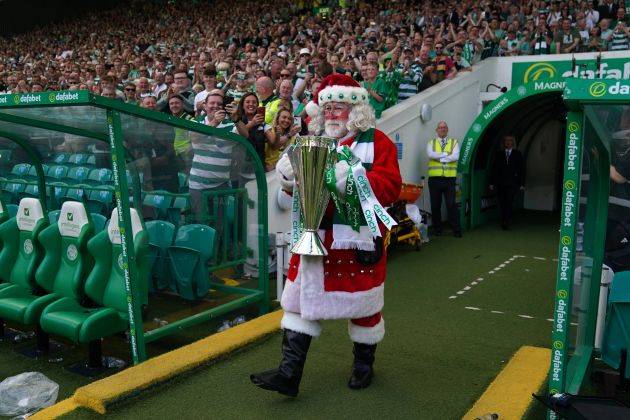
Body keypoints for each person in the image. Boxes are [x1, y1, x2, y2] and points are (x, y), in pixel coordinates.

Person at [250, 73, 402, 396]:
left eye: (339, 108)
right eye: (328, 108)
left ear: (356, 109)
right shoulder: (313, 142)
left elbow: (391, 188)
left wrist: (354, 179)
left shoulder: (378, 143)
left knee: (364, 309)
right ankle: (288, 374)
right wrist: (291, 181)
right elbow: (303, 197)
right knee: (299, 304)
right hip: (315, 238)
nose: (332, 114)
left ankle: (363, 366)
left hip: (355, 242)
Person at [426, 121, 462, 237]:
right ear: (436, 130)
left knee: (451, 204)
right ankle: (438, 229)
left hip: (449, 180)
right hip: (434, 179)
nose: (442, 129)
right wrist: (446, 154)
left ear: (447, 130)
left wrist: (440, 157)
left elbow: (455, 156)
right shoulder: (431, 143)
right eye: (440, 128)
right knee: (435, 205)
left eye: (444, 127)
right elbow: (431, 155)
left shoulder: (454, 142)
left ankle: (456, 229)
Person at [490, 135, 524, 230]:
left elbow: (521, 169)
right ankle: (503, 219)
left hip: (512, 183)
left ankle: (506, 221)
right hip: (500, 183)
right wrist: (492, 183)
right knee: (502, 202)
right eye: (506, 141)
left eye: (510, 141)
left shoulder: (518, 154)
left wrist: (521, 184)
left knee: (509, 202)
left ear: (513, 142)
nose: (508, 142)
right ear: (504, 143)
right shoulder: (499, 154)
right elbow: (494, 169)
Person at [264, 107, 300, 171]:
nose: (286, 120)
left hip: (282, 168)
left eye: (289, 119)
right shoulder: (270, 131)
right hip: (269, 169)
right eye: (284, 117)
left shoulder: (292, 134)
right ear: (278, 118)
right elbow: (275, 146)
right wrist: (289, 135)